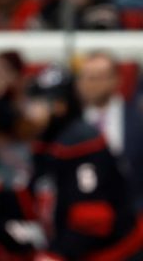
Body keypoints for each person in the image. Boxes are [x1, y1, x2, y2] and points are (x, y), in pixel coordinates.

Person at [21, 66, 143, 260]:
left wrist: (57, 254)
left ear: (60, 106)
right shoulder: (47, 141)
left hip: (116, 252)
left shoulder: (83, 142)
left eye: (37, 102)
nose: (29, 110)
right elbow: (33, 194)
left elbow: (93, 220)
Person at [76, 51, 143, 210]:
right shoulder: (70, 124)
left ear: (116, 80)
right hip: (83, 214)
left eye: (97, 77)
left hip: (132, 213)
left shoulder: (138, 120)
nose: (90, 83)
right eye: (85, 76)